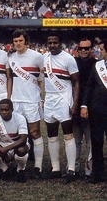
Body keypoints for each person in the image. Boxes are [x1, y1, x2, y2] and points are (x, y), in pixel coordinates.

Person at [8, 29, 45, 179]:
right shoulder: (10, 57)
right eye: (15, 41)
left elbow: (42, 79)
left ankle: (38, 166)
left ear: (26, 42)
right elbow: (10, 79)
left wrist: (42, 98)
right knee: (18, 134)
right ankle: (20, 166)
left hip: (32, 100)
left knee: (35, 133)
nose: (18, 44)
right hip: (16, 101)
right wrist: (9, 97)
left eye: (20, 41)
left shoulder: (37, 56)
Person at [43, 33, 79, 183]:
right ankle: (55, 168)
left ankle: (71, 170)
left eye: (55, 42)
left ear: (61, 43)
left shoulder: (68, 59)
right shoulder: (44, 57)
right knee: (51, 135)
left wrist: (75, 103)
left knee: (68, 135)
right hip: (49, 99)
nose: (52, 45)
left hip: (64, 99)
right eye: (50, 42)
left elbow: (76, 82)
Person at [82, 39, 107, 183]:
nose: (99, 52)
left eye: (102, 50)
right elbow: (89, 86)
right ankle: (97, 174)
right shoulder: (98, 65)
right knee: (97, 142)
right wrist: (84, 105)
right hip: (97, 110)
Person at [0, 99, 29, 183]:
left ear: (12, 110)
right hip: (2, 145)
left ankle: (20, 170)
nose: (3, 112)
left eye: (6, 110)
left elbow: (23, 139)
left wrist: (6, 149)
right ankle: (4, 169)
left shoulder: (20, 118)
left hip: (16, 145)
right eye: (1, 110)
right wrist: (2, 150)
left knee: (22, 150)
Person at [73, 38, 96, 179]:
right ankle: (73, 169)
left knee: (90, 142)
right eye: (81, 48)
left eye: (86, 48)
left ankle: (89, 170)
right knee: (75, 142)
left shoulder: (97, 65)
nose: (83, 50)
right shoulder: (73, 62)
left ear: (92, 49)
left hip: (90, 108)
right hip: (75, 107)